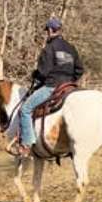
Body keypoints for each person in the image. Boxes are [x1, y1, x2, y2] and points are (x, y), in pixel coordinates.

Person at [18, 17, 84, 158]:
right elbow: (79, 69)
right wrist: (70, 79)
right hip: (69, 86)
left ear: (50, 30)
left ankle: (27, 144)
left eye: (47, 30)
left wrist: (36, 74)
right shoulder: (71, 48)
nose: (46, 33)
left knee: (25, 109)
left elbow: (43, 72)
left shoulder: (49, 48)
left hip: (52, 86)